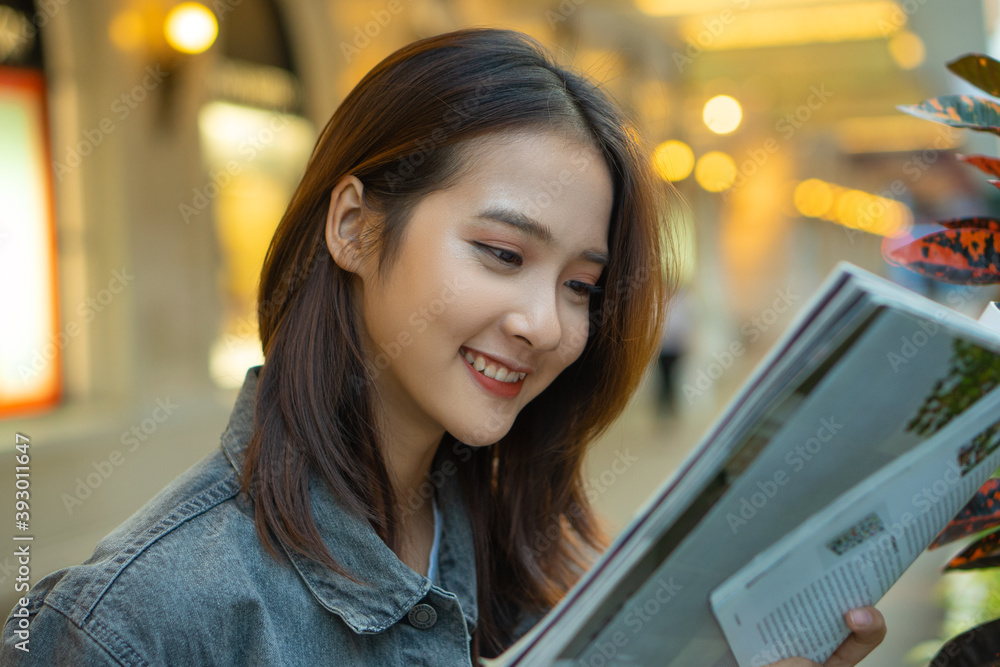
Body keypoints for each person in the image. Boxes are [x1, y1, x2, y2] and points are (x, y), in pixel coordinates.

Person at [0, 28, 885, 665]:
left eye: (580, 285)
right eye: (503, 254)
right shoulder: (136, 623)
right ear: (352, 225)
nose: (545, 323)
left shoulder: (523, 547)